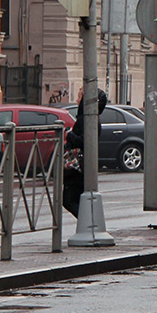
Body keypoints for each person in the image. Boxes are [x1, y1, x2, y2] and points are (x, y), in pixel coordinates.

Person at [63, 87, 108, 217]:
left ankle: (89, 223)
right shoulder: (90, 118)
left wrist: (69, 134)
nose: (77, 100)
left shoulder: (87, 119)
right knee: (76, 199)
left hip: (78, 166)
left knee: (69, 200)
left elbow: (84, 141)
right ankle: (89, 224)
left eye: (79, 97)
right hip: (83, 165)